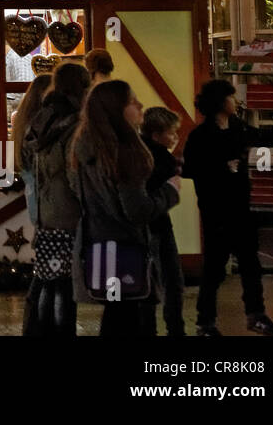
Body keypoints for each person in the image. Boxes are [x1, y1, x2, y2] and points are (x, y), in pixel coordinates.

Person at [182, 79, 273, 336]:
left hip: (241, 210)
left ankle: (256, 315)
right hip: (216, 213)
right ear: (221, 102)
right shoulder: (200, 136)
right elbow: (190, 170)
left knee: (251, 266)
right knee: (214, 270)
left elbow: (270, 137)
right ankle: (205, 322)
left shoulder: (237, 128)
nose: (236, 102)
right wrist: (222, 167)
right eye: (232, 97)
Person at [68, 80, 180, 337]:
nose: (140, 106)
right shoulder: (126, 151)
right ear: (116, 109)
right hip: (129, 248)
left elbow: (79, 193)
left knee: (116, 315)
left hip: (99, 244)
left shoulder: (85, 147)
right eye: (132, 102)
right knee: (132, 317)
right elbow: (137, 210)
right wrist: (169, 192)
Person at [19, 63, 88, 336]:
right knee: (63, 286)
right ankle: (60, 332)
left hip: (48, 211)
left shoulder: (41, 118)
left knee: (49, 280)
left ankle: (37, 329)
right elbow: (74, 174)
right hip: (68, 212)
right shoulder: (71, 123)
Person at [141, 106, 185, 337]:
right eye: (171, 133)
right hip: (157, 224)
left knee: (150, 284)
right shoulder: (162, 160)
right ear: (157, 135)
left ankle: (151, 329)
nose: (175, 137)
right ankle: (175, 328)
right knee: (170, 280)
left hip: (150, 225)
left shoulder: (141, 153)